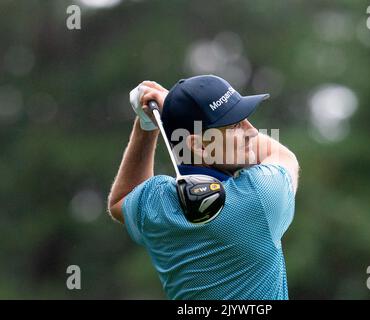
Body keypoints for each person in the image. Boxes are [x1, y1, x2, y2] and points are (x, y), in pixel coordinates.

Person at [107, 75, 300, 299]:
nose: (252, 131)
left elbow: (121, 200)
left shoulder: (159, 204)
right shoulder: (258, 196)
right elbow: (285, 157)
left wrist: (149, 124)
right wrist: (167, 109)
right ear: (198, 146)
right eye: (236, 125)